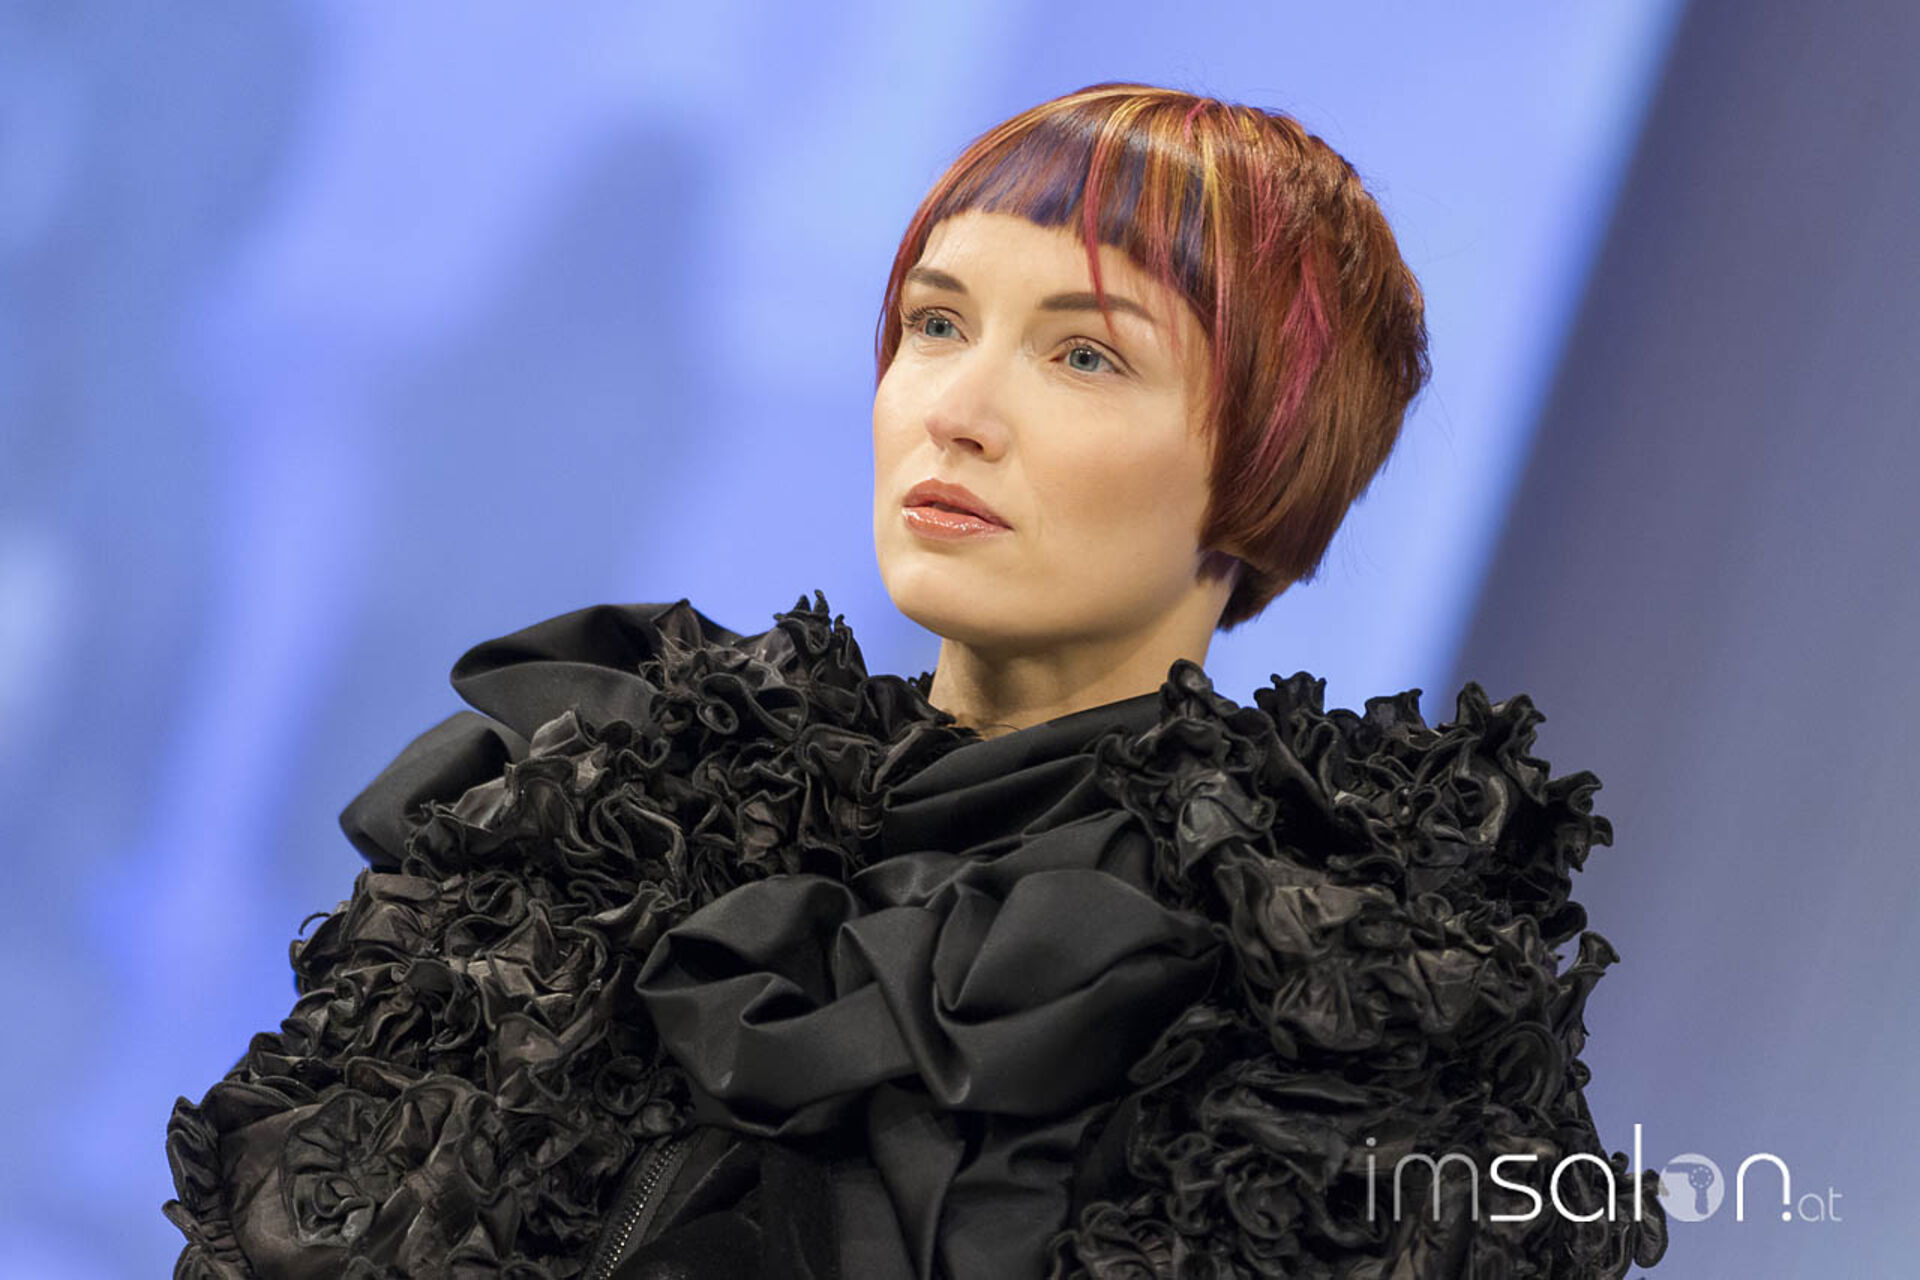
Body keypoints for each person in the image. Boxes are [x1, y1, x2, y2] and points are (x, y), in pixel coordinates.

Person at [163, 82, 1669, 1278]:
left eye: (1085, 356)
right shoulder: (623, 793)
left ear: (1266, 461)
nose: (956, 408)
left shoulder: (1331, 998)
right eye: (936, 325)